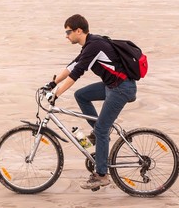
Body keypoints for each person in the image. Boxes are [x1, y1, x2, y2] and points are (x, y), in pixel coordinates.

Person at [44, 14, 137, 190]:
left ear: (79, 30)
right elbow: (73, 65)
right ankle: (99, 132)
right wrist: (52, 84)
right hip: (112, 86)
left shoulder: (95, 46)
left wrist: (55, 95)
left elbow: (75, 74)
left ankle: (101, 175)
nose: (66, 35)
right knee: (81, 95)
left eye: (68, 31)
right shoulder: (90, 44)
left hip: (121, 89)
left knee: (102, 129)